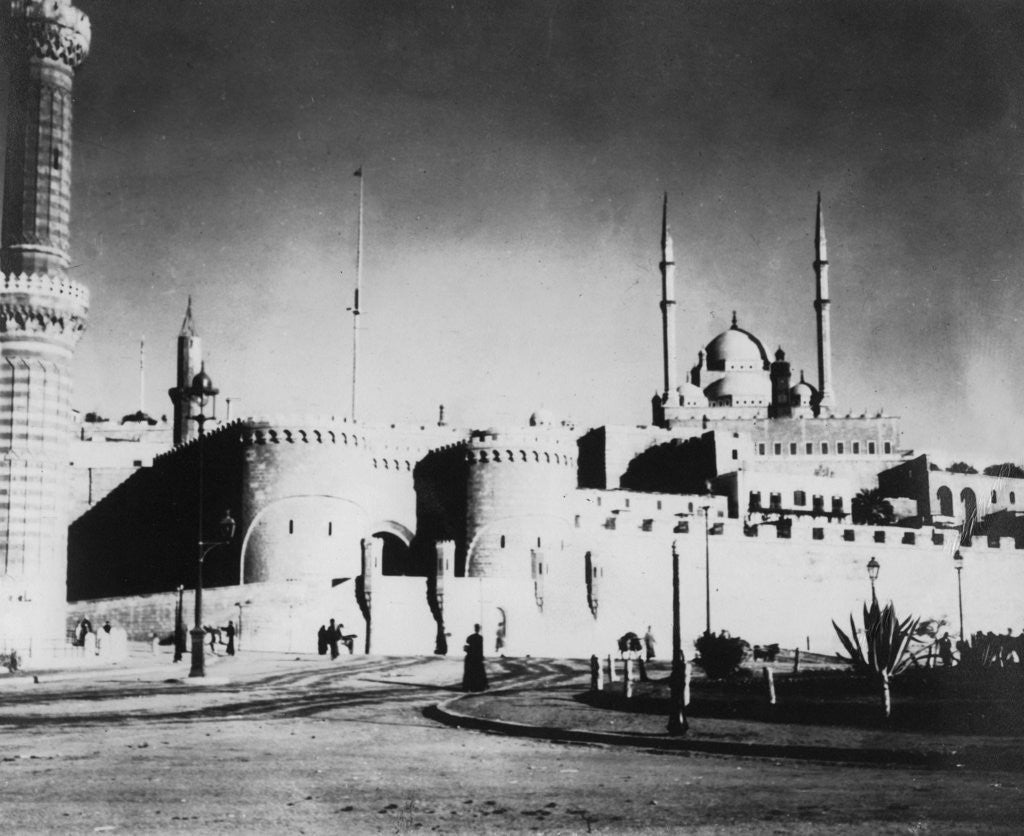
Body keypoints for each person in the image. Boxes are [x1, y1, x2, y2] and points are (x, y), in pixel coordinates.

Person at [462, 623, 488, 692]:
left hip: (471, 657)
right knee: (478, 672)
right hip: (476, 657)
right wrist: (481, 656)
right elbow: (480, 649)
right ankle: (479, 686)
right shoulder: (480, 638)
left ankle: (468, 686)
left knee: (470, 672)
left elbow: (468, 644)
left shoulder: (471, 637)